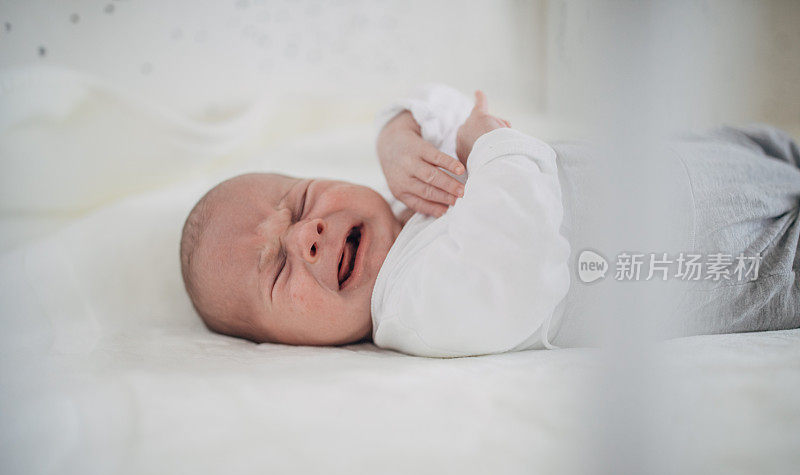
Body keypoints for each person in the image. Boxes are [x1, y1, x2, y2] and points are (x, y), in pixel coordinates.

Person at [180, 84, 800, 356]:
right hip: (735, 255)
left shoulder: (407, 205)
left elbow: (443, 102)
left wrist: (397, 138)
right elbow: (518, 248)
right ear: (282, 345)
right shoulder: (410, 309)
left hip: (728, 158)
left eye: (299, 200)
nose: (302, 234)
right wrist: (487, 147)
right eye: (277, 269)